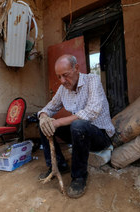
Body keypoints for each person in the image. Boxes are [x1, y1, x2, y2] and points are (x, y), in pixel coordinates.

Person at [38, 54, 115, 198]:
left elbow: (91, 112)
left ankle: (79, 177)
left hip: (99, 136)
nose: (62, 81)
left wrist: (58, 122)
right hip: (79, 135)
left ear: (77, 68)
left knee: (78, 125)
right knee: (44, 125)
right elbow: (49, 107)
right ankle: (58, 165)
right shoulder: (63, 89)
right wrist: (43, 117)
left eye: (65, 75)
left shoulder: (92, 80)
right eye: (58, 76)